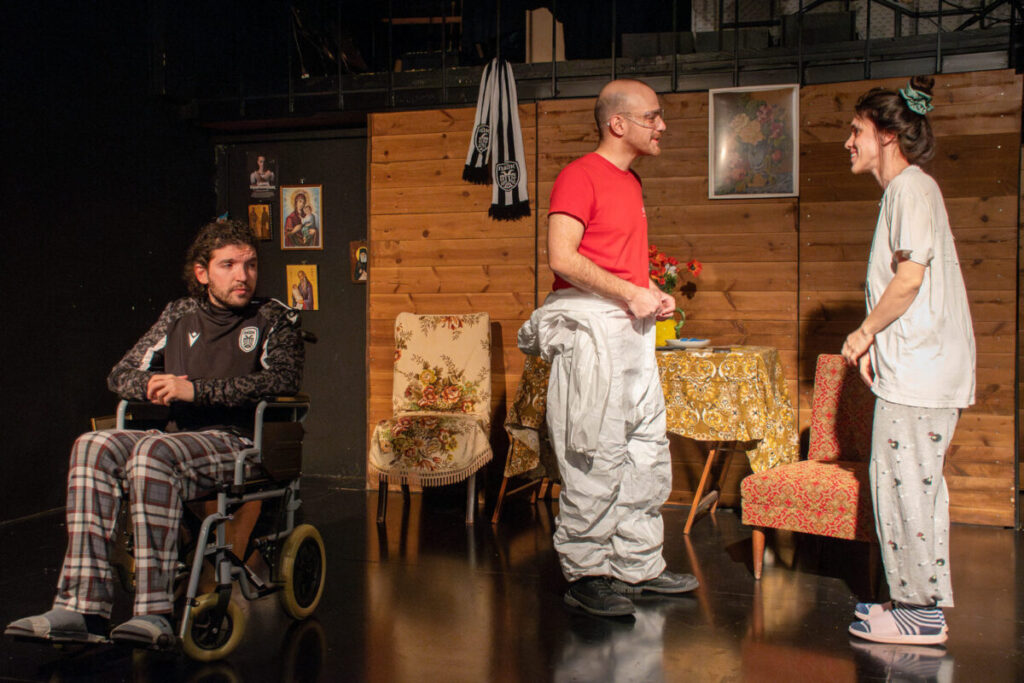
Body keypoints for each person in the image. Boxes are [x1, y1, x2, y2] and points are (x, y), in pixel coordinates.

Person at [5, 220, 304, 648]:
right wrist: (151, 384)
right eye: (229, 265)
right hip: (178, 439)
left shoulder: (274, 317)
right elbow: (120, 374)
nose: (243, 275)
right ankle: (82, 609)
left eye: (250, 264)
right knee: (92, 445)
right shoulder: (179, 314)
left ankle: (154, 613)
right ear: (202, 273)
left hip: (238, 440)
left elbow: (283, 379)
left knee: (153, 453)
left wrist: (197, 390)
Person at [517, 79, 698, 618]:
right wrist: (629, 293)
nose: (661, 125)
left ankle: (636, 564)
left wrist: (649, 290)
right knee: (592, 451)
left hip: (630, 332)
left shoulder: (631, 182)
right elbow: (562, 258)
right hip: (592, 333)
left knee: (645, 448)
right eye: (652, 116)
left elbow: (615, 261)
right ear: (618, 123)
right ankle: (587, 572)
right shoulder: (579, 175)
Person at [840, 75, 975, 646]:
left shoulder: (910, 190)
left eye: (857, 130)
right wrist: (879, 345)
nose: (849, 141)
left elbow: (909, 279)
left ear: (888, 135)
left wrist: (862, 335)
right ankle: (913, 603)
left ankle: (919, 613)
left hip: (923, 373)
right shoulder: (908, 191)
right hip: (918, 368)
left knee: (906, 490)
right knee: (909, 487)